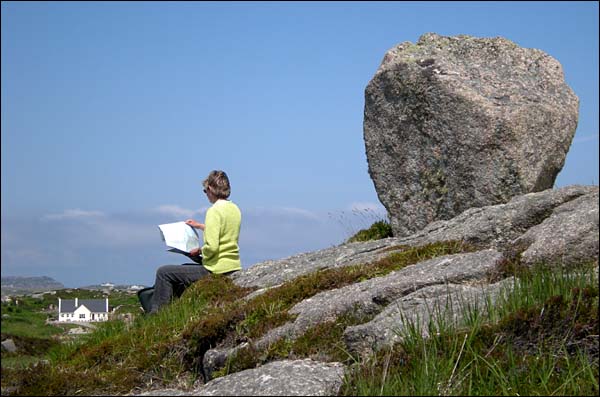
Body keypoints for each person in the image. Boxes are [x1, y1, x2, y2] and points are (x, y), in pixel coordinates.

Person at [147, 170, 242, 314]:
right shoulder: (234, 209)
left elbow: (212, 247)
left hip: (216, 269)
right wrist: (201, 226)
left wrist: (198, 251)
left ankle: (156, 315)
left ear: (210, 189)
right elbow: (224, 232)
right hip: (232, 265)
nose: (206, 194)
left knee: (164, 272)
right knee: (183, 269)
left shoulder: (214, 211)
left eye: (205, 191)